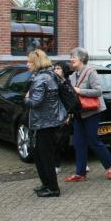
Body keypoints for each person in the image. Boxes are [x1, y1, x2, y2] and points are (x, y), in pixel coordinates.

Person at [65, 47, 111, 182]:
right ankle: (80, 173)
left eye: (73, 57)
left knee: (93, 140)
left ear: (81, 58)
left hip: (92, 112)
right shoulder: (72, 75)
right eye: (70, 57)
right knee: (78, 142)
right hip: (79, 113)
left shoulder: (91, 72)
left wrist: (79, 90)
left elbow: (98, 91)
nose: (71, 59)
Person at [25, 49, 65, 198]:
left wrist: (26, 98)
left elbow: (35, 102)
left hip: (44, 123)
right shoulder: (51, 75)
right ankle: (47, 184)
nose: (27, 64)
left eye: (29, 61)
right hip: (51, 121)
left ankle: (53, 188)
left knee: (44, 156)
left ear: (36, 63)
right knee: (41, 155)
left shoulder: (40, 79)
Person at [52, 61, 73, 175]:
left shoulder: (67, 82)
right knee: (56, 141)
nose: (56, 70)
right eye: (55, 68)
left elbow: (70, 100)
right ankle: (56, 165)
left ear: (64, 71)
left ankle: (82, 163)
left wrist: (70, 114)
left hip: (67, 115)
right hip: (56, 115)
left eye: (58, 68)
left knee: (69, 140)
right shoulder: (53, 82)